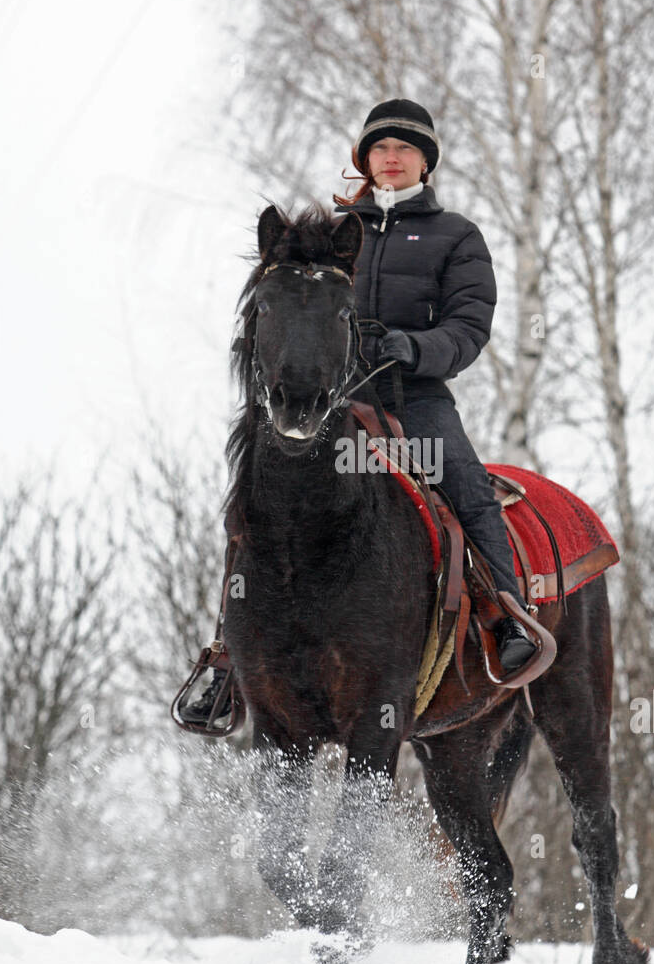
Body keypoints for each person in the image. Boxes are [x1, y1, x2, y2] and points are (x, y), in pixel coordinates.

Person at [179, 99, 536, 725]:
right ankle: (226, 658)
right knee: (254, 503)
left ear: (426, 161)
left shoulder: (457, 237)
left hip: (414, 399)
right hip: (333, 402)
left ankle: (503, 615)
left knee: (469, 488)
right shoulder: (336, 236)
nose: (391, 158)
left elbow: (469, 327)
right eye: (380, 149)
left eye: (404, 148)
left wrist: (418, 348)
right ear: (365, 161)